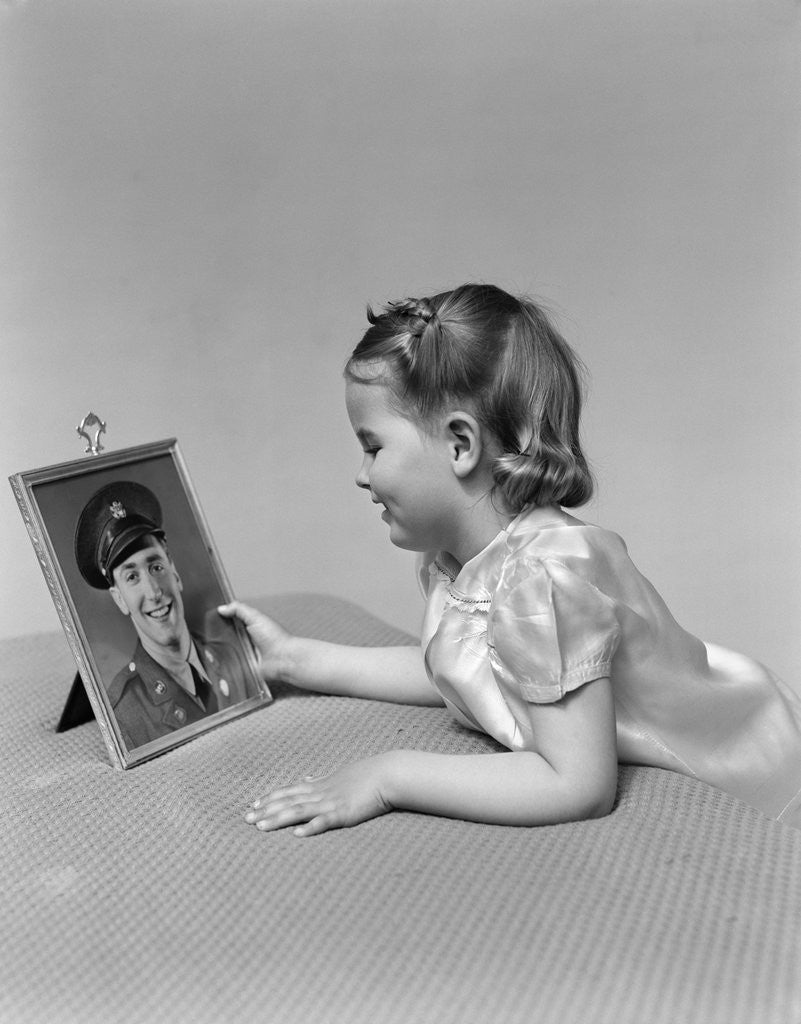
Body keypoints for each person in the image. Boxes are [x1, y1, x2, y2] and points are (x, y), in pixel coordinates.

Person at [220, 283, 801, 836]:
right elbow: (463, 675)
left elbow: (576, 783)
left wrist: (385, 776)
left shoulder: (543, 578)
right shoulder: (455, 563)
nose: (360, 474)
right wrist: (293, 661)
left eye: (373, 447)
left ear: (459, 444)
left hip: (745, 759)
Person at [75, 481, 259, 749]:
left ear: (174, 572)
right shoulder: (125, 714)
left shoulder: (231, 659)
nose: (153, 592)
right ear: (119, 599)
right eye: (132, 577)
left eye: (156, 566)